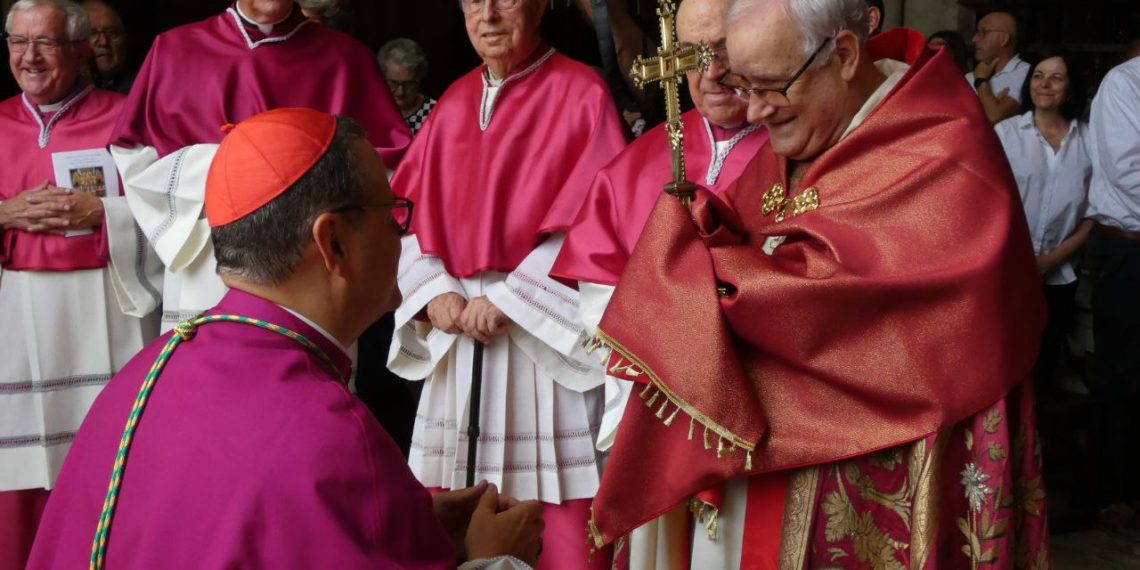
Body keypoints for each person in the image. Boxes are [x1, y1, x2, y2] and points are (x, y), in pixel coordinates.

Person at [586, 0, 1051, 567]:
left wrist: (703, 280)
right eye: (741, 84)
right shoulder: (809, 126)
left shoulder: (945, 151)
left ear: (846, 55)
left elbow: (849, 306)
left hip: (887, 458)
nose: (754, 111)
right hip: (776, 483)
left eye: (769, 87)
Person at [27, 108, 543, 570]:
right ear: (333, 242)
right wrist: (499, 559)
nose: (402, 238)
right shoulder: (331, 436)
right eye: (392, 217)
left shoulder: (145, 373)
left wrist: (401, 521)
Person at [386, 0, 626, 566]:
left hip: (537, 335)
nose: (488, 14)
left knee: (558, 518)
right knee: (452, 504)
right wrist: (434, 292)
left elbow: (600, 223)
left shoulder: (582, 93)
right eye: (474, 0)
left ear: (543, 4)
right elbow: (403, 216)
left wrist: (513, 300)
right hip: (460, 333)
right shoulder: (453, 100)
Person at [549, 0, 767, 561]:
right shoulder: (637, 163)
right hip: (651, 409)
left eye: (726, 52)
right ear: (671, 58)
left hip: (753, 420)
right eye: (695, 55)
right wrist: (663, 364)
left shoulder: (796, 147)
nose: (713, 73)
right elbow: (598, 294)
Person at [108, 0, 411, 333]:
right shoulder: (174, 50)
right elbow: (133, 153)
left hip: (311, 265)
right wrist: (234, 169)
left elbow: (388, 165)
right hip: (205, 258)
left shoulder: (346, 60)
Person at [0, 1, 159, 568]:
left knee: (108, 469)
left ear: (80, 47)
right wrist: (4, 214)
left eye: (44, 43)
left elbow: (179, 217)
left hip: (106, 313)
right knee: (15, 482)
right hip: (12, 322)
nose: (30, 57)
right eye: (18, 42)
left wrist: (108, 212)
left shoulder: (128, 120)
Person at [995, 51, 1093, 390]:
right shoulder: (1006, 134)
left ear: (1071, 88)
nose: (1044, 84)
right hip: (1006, 270)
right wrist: (1021, 259)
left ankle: (1035, 441)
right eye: (1038, 75)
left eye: (1056, 77)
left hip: (1061, 273)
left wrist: (1051, 260)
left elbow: (1094, 213)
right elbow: (988, 203)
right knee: (1001, 363)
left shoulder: (1090, 141)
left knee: (1044, 366)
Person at [1084, 54, 1140, 536]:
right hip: (1127, 251)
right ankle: (1108, 495)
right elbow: (1129, 172)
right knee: (1119, 377)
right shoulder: (1126, 83)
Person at [967, 10, 1030, 124]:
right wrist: (992, 103)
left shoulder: (1025, 73)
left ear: (1004, 39)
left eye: (983, 32)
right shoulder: (969, 77)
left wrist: (981, 80)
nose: (974, 39)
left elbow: (994, 116)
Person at [380, 38, 437, 136]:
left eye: (409, 84)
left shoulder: (434, 114)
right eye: (393, 83)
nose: (400, 92)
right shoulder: (372, 108)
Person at [81, 0, 132, 93]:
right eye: (92, 33)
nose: (103, 42)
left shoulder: (142, 88)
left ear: (124, 40)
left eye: (111, 33)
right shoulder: (63, 92)